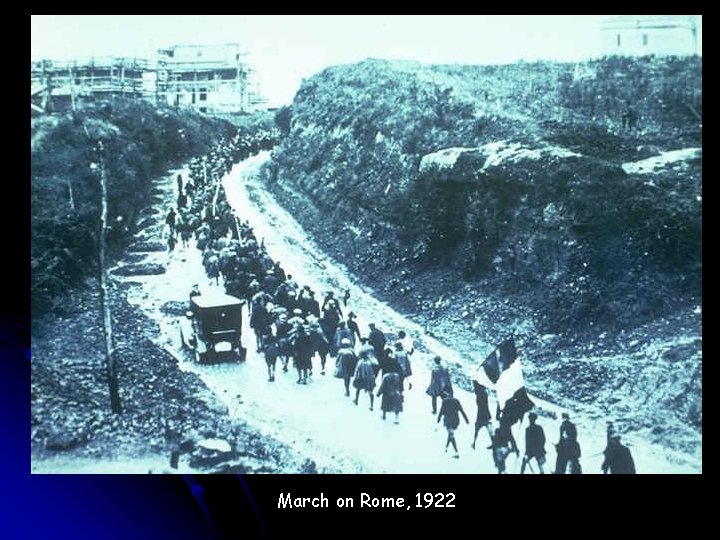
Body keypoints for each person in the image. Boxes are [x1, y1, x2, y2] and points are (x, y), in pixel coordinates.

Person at [437, 390, 469, 459]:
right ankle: (446, 447)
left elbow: (441, 411)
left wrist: (438, 419)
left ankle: (456, 452)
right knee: (450, 434)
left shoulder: (445, 401)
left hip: (448, 421)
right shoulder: (456, 401)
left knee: (451, 434)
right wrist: (466, 419)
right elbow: (461, 410)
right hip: (456, 421)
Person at [471, 381, 494, 449]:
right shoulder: (484, 394)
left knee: (477, 429)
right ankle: (494, 443)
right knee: (489, 430)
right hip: (487, 414)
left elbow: (476, 389)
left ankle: (474, 443)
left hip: (481, 414)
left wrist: (475, 380)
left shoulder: (480, 394)